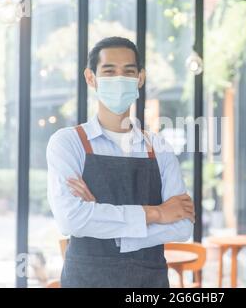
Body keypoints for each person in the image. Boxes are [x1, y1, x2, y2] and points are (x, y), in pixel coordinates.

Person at [46, 36, 195, 288]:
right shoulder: (68, 143)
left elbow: (181, 226)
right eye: (109, 71)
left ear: (140, 78)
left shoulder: (158, 148)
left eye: (128, 71)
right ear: (91, 78)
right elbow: (70, 220)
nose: (119, 78)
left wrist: (101, 219)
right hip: (86, 280)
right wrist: (157, 213)